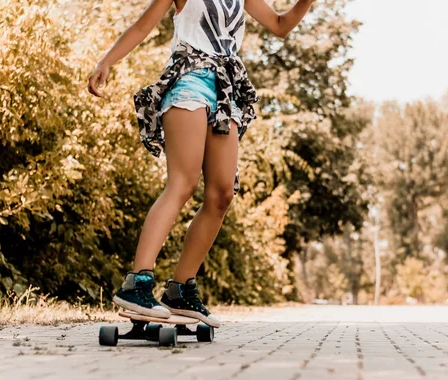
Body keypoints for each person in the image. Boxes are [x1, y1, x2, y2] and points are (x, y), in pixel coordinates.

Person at [87, 0, 316, 327]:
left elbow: (280, 25)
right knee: (183, 183)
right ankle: (137, 283)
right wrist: (107, 61)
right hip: (189, 78)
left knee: (221, 194)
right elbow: (142, 26)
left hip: (227, 89)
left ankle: (180, 289)